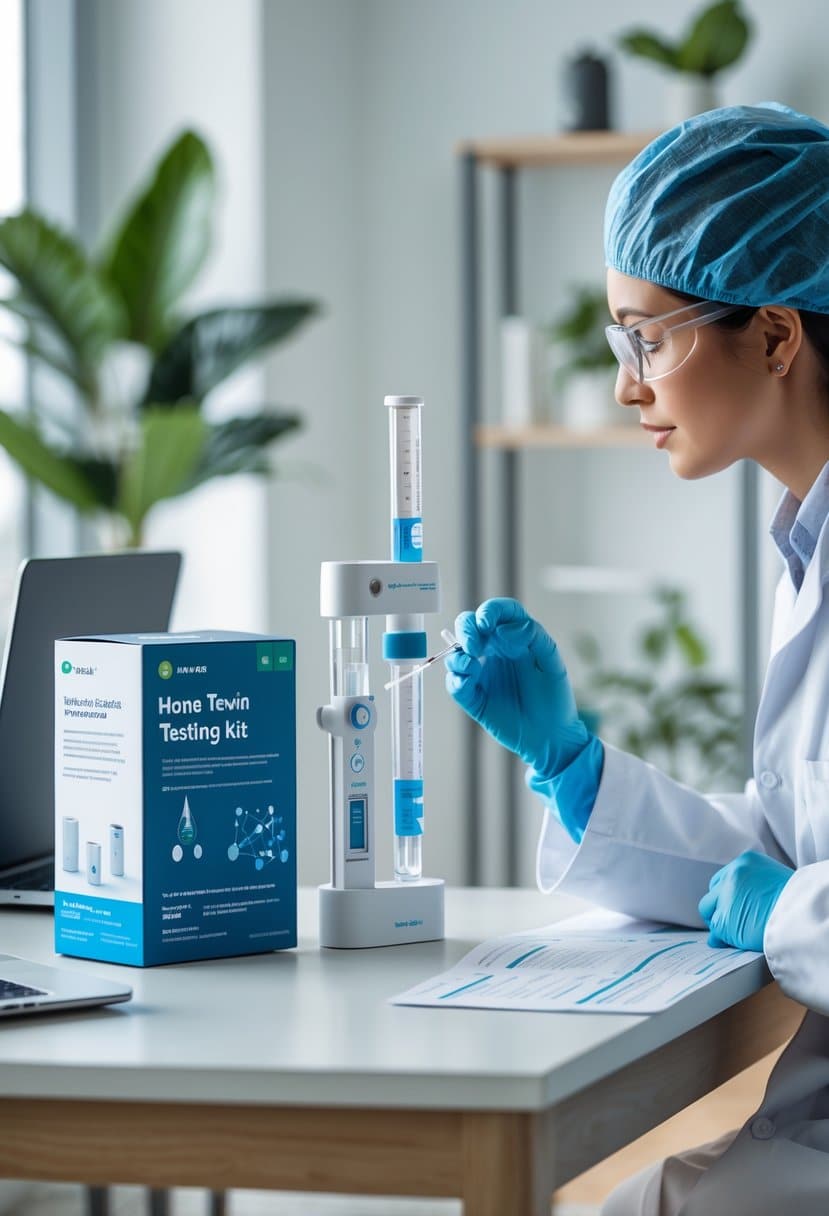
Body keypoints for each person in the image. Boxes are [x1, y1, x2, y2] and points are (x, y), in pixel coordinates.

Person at [445, 102, 829, 1216]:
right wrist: (575, 768)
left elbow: (786, 886)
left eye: (645, 338)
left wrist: (793, 915)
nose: (626, 385)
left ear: (772, 335)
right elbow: (785, 835)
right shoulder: (804, 541)